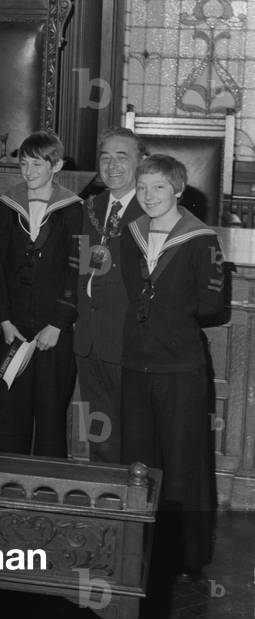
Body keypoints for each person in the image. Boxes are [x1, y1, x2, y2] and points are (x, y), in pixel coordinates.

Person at [120, 154, 223, 579]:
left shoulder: (200, 239)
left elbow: (213, 304)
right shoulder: (132, 233)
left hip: (179, 365)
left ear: (178, 190)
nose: (148, 196)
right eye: (142, 188)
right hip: (136, 363)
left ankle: (184, 553)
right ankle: (141, 544)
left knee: (183, 461)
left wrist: (169, 318)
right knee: (140, 459)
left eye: (158, 187)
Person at [0, 130, 82, 458]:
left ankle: (48, 484)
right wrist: (3, 319)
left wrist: (58, 322)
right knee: (9, 409)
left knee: (50, 412)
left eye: (37, 164)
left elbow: (79, 268)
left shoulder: (73, 209)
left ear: (55, 166)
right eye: (24, 163)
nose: (28, 171)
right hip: (14, 326)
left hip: (53, 330)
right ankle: (3, 482)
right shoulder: (6, 206)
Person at [74, 127, 146, 464]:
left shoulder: (151, 210)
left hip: (127, 338)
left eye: (122, 157)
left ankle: (130, 506)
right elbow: (82, 265)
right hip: (88, 337)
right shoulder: (92, 206)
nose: (112, 165)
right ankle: (102, 497)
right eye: (105, 157)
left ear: (140, 163)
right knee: (97, 429)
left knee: (134, 431)